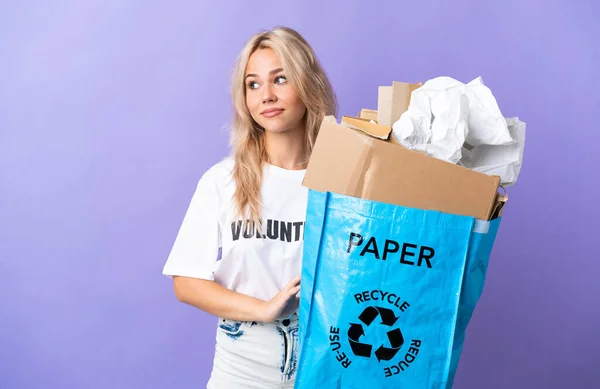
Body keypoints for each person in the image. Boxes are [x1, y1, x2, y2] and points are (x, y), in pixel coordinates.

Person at [162, 26, 337, 389]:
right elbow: (187, 282)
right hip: (241, 371)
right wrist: (265, 309)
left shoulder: (344, 182)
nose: (266, 96)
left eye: (281, 79)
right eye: (253, 84)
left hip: (326, 366)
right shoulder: (223, 181)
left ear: (308, 84)